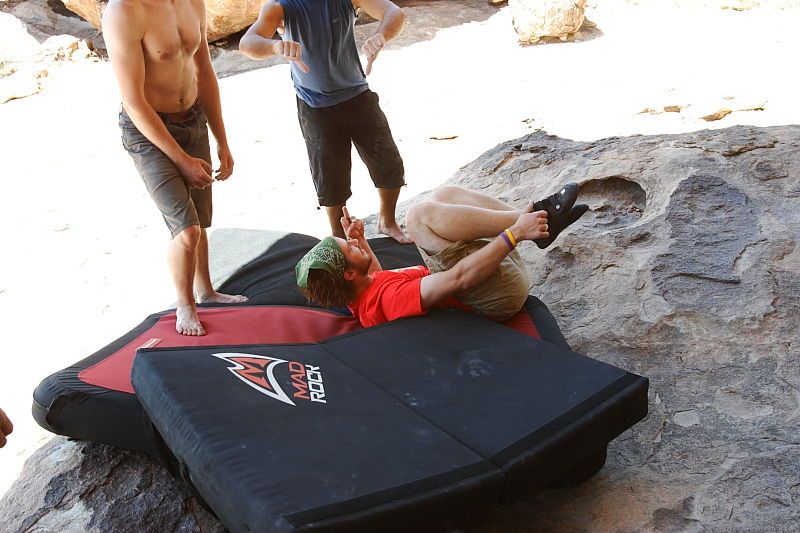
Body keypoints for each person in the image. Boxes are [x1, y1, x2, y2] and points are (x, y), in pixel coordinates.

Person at [103, 0, 247, 336]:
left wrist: (221, 139)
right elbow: (133, 102)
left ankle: (207, 292)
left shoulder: (190, 2)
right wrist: (181, 160)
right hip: (148, 130)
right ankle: (185, 305)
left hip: (192, 117)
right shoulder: (123, 11)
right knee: (186, 230)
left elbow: (205, 71)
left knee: (200, 220)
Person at [296, 184, 588, 327]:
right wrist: (514, 235)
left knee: (444, 195)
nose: (356, 246)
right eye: (350, 250)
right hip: (493, 297)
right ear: (348, 273)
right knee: (418, 217)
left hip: (491, 285)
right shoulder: (390, 300)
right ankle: (535, 219)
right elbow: (459, 278)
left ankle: (538, 218)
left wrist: (358, 241)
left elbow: (376, 279)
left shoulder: (361, 295)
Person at [239, 0, 412, 243]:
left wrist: (381, 36)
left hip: (357, 93)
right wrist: (276, 47)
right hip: (315, 104)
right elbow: (248, 43)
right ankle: (339, 236)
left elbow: (394, 13)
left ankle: (387, 222)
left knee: (388, 160)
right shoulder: (281, 6)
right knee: (330, 175)